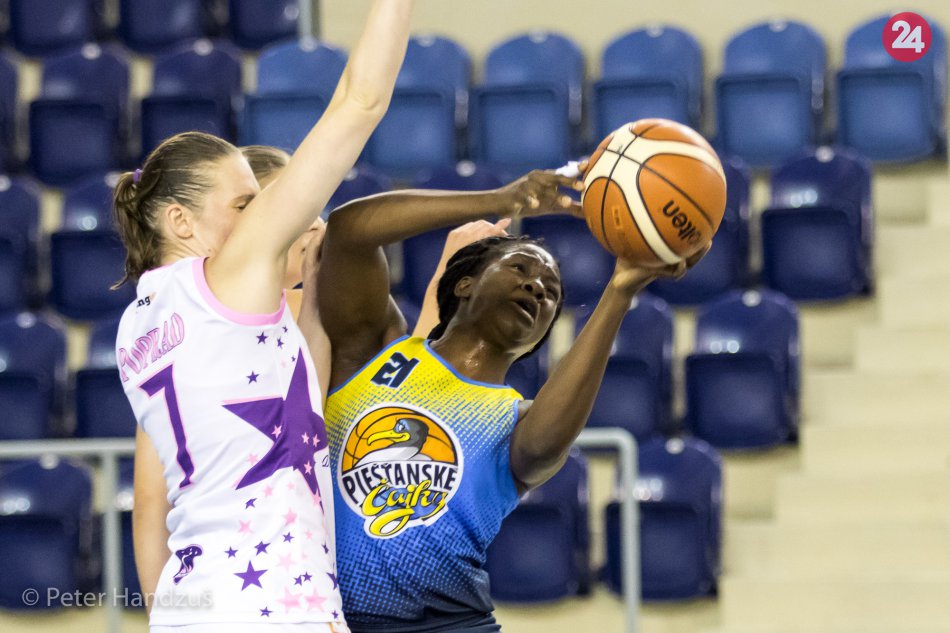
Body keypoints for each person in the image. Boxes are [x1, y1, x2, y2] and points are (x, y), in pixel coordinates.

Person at [114, 2, 413, 631]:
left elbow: (297, 381)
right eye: (245, 204)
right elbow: (359, 104)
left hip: (192, 603)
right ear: (181, 222)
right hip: (271, 606)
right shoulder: (227, 279)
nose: (262, 217)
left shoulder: (138, 323)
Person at [312, 169, 707, 632]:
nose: (537, 287)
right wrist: (500, 199)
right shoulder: (377, 348)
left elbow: (543, 449)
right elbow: (348, 231)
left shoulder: (515, 420)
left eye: (551, 293)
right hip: (319, 617)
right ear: (464, 284)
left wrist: (619, 289)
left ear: (538, 339)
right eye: (520, 268)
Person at [239, 144, 511, 403]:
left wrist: (448, 273)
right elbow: (396, 398)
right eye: (291, 210)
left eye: (315, 207)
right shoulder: (224, 322)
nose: (315, 224)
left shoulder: (318, 300)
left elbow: (396, 392)